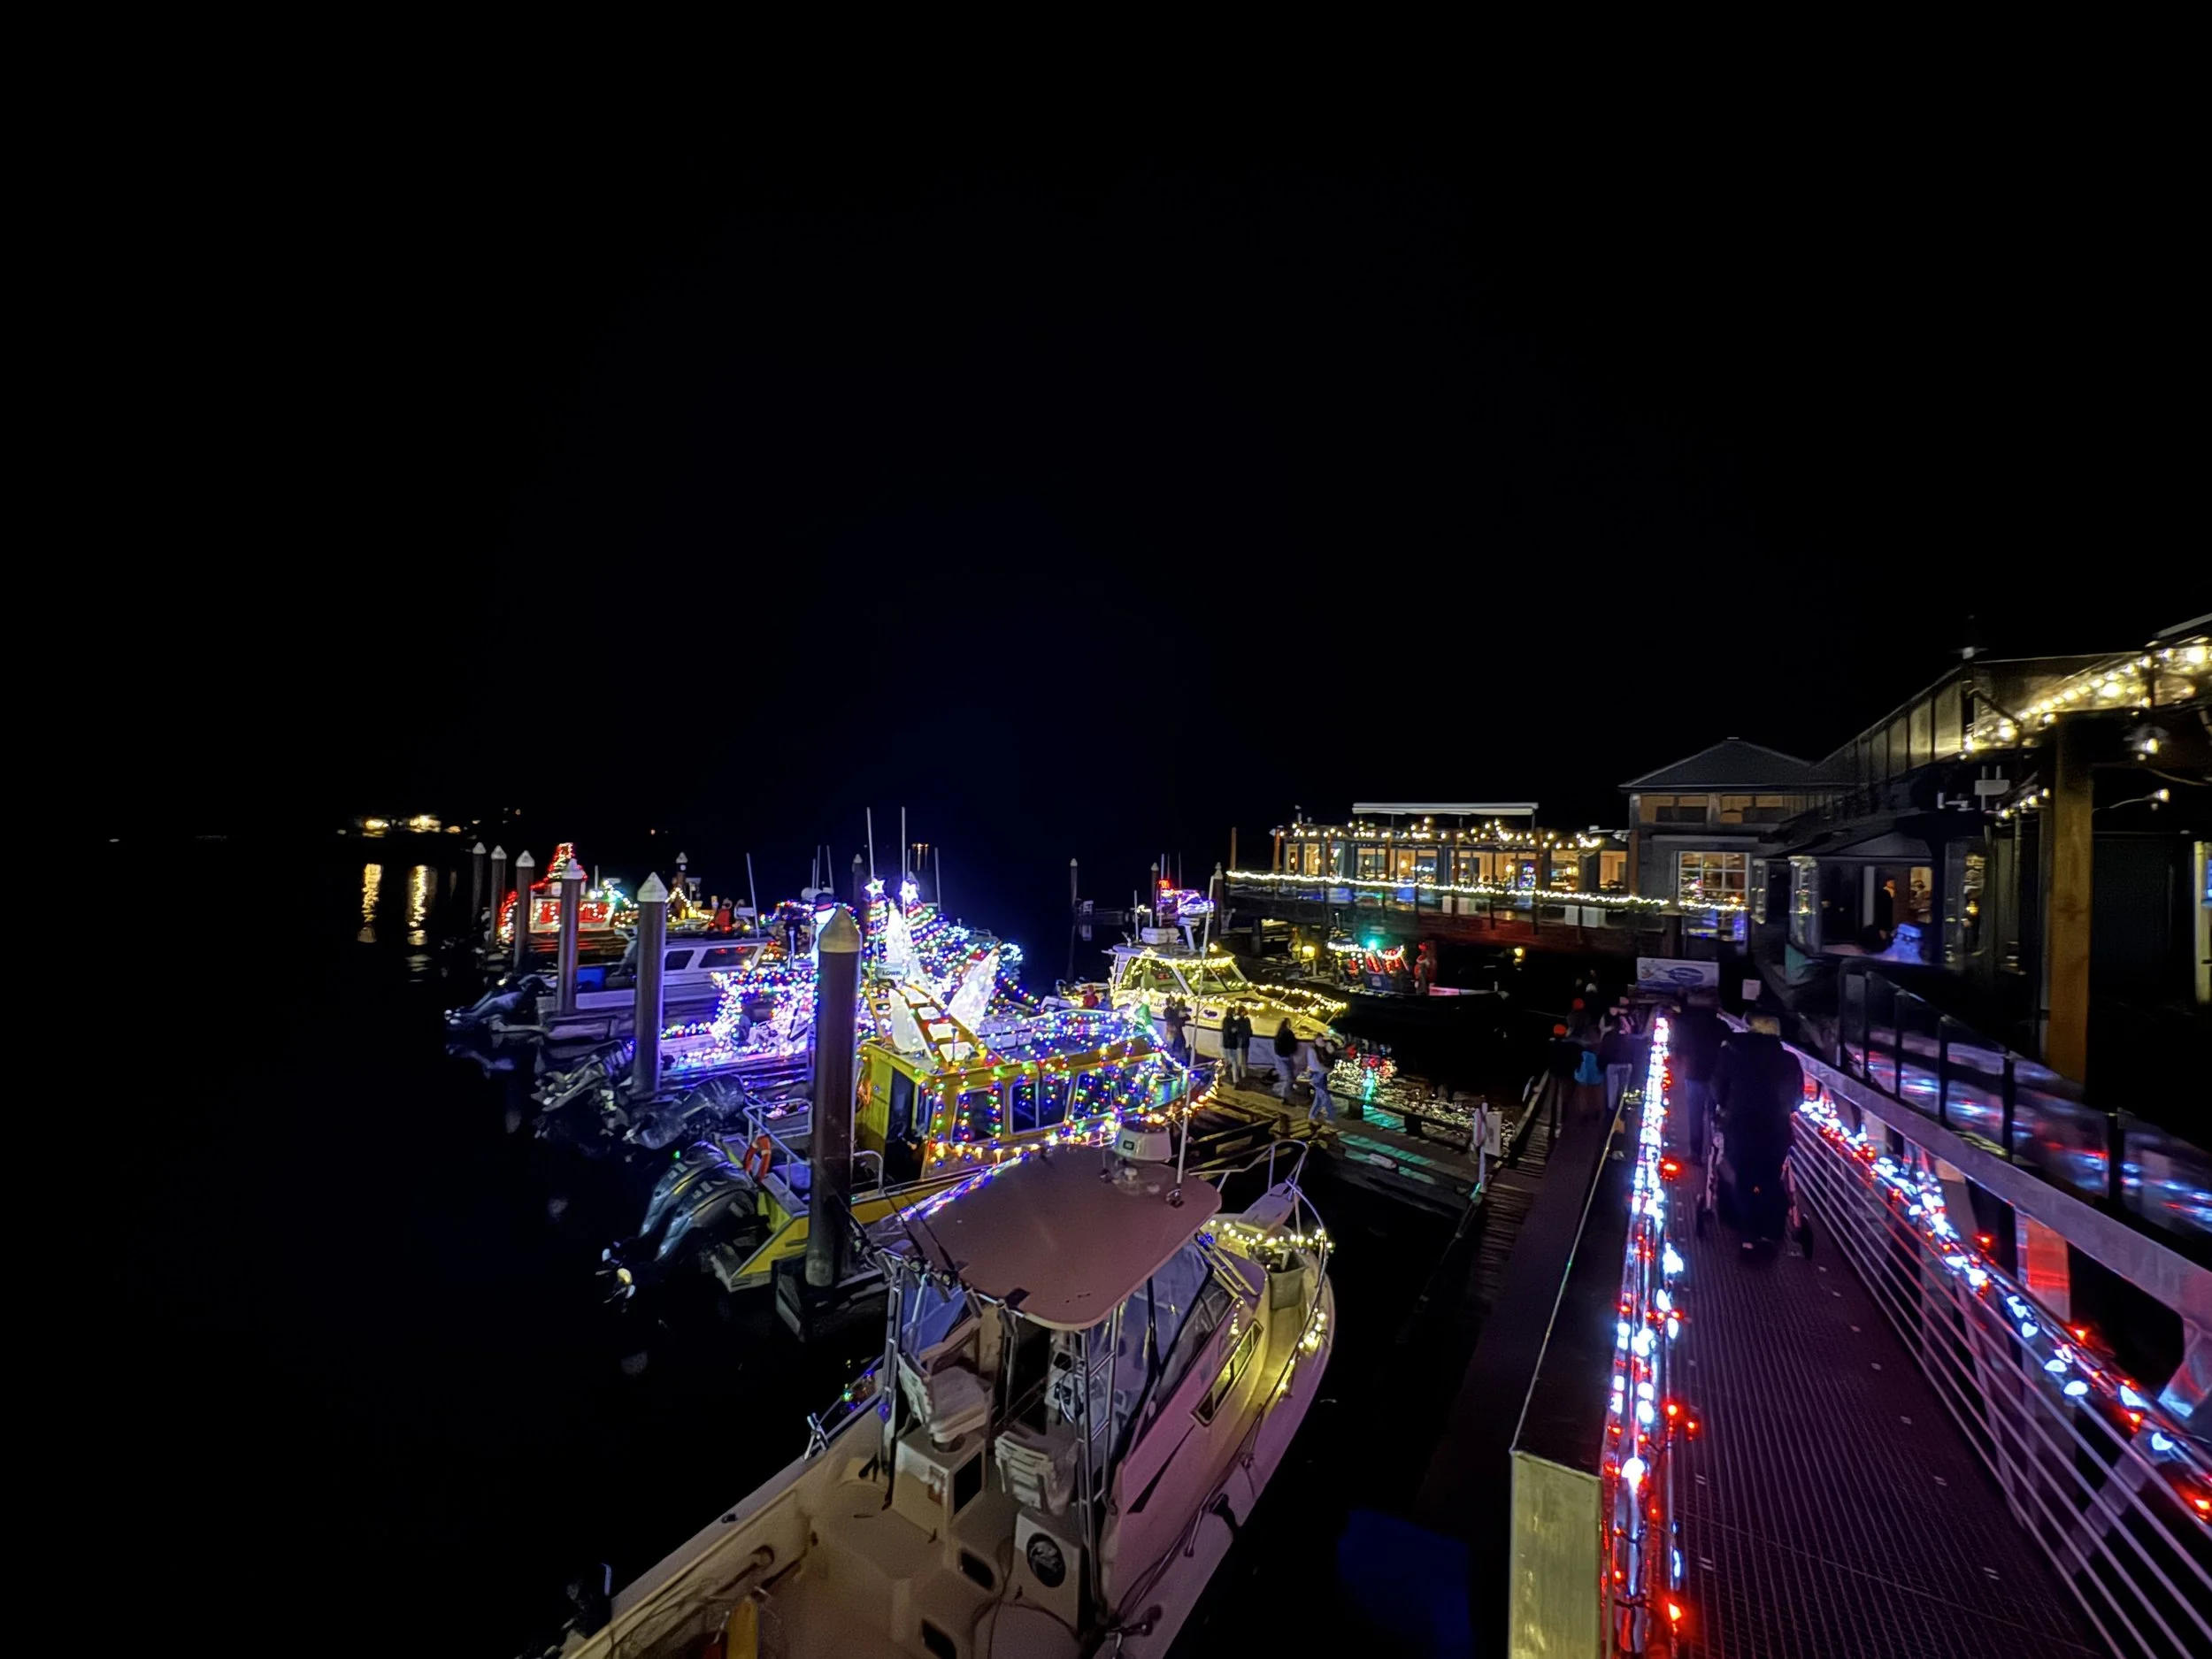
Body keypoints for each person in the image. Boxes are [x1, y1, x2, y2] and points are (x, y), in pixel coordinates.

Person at [1710, 1013, 1808, 1251]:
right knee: (1770, 1179)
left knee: (1742, 1178)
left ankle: (1748, 1235)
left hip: (1739, 1126)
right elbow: (1797, 1100)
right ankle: (1771, 1232)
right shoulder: (1789, 1061)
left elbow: (1717, 1089)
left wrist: (1724, 1107)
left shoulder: (1731, 1053)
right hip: (1775, 1130)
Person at [1671, 1000, 1726, 1164]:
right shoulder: (1721, 1026)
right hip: (1715, 1077)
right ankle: (1714, 1153)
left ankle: (1695, 1153)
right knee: (1713, 1116)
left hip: (1694, 1075)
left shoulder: (1689, 1025)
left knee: (1695, 1115)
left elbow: (1679, 1049)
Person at [1306, 1033, 1337, 1125]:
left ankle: (1312, 1115)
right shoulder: (1320, 1048)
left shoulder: (1312, 1049)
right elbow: (1322, 1062)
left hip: (1317, 1073)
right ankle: (1330, 1116)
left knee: (1320, 1096)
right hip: (1320, 1073)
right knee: (1324, 1096)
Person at [1273, 1019, 1302, 1102]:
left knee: (1289, 1076)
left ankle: (1284, 1091)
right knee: (1289, 1077)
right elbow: (1293, 1044)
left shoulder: (1279, 1034)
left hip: (1281, 1057)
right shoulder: (1288, 1033)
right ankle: (1284, 1095)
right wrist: (1292, 1050)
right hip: (1286, 1057)